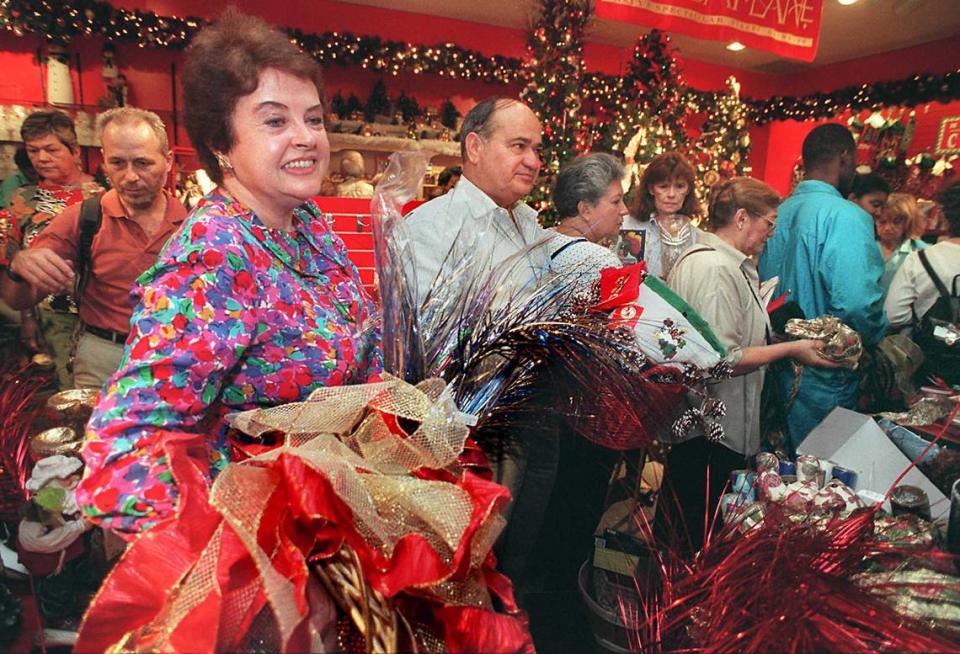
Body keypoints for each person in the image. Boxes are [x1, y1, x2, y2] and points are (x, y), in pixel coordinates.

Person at [76, 11, 381, 534]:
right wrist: (224, 559)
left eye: (314, 118)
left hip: (330, 518)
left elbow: (355, 333)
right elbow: (124, 453)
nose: (306, 137)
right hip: (266, 540)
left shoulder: (306, 222)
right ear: (222, 143)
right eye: (275, 121)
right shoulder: (213, 253)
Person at [403, 96, 553, 587]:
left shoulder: (528, 223)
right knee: (466, 576)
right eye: (518, 146)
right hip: (470, 441)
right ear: (473, 146)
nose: (533, 160)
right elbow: (435, 347)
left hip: (534, 423)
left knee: (516, 569)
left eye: (535, 147)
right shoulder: (432, 228)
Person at [667, 177, 838, 548]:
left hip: (714, 432)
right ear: (742, 217)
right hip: (709, 437)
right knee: (691, 541)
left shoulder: (728, 265)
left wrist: (775, 341)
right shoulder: (714, 269)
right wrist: (792, 350)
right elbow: (720, 359)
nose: (771, 233)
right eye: (770, 222)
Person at [1, 108, 187, 389]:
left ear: (168, 161)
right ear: (104, 161)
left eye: (143, 163)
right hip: (103, 357)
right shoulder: (83, 218)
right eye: (117, 163)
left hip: (173, 357)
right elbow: (18, 299)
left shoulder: (193, 223)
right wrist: (20, 266)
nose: (130, 176)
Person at [758, 124, 887, 449]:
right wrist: (874, 338)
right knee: (818, 482)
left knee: (773, 476)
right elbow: (857, 304)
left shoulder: (779, 211)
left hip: (774, 364)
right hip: (825, 373)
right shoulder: (847, 216)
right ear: (845, 158)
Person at [0, 111, 101, 387]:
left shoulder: (104, 195)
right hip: (53, 316)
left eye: (51, 149)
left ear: (75, 150)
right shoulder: (21, 201)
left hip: (103, 311)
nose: (42, 158)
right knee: (71, 390)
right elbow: (12, 266)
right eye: (33, 150)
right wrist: (28, 318)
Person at [885, 181, 960, 330]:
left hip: (935, 348)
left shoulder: (919, 258)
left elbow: (893, 315)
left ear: (944, 217)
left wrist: (922, 318)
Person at [550, 152, 625, 290]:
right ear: (585, 210)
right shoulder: (601, 261)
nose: (624, 210)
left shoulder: (541, 240)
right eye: (616, 201)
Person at [620, 151, 701, 279]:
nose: (671, 194)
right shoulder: (625, 224)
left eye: (680, 186)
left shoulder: (695, 237)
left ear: (688, 190)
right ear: (651, 189)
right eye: (663, 186)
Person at [875, 193, 928, 292]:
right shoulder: (865, 246)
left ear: (909, 223)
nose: (888, 228)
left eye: (896, 222)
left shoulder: (921, 251)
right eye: (882, 222)